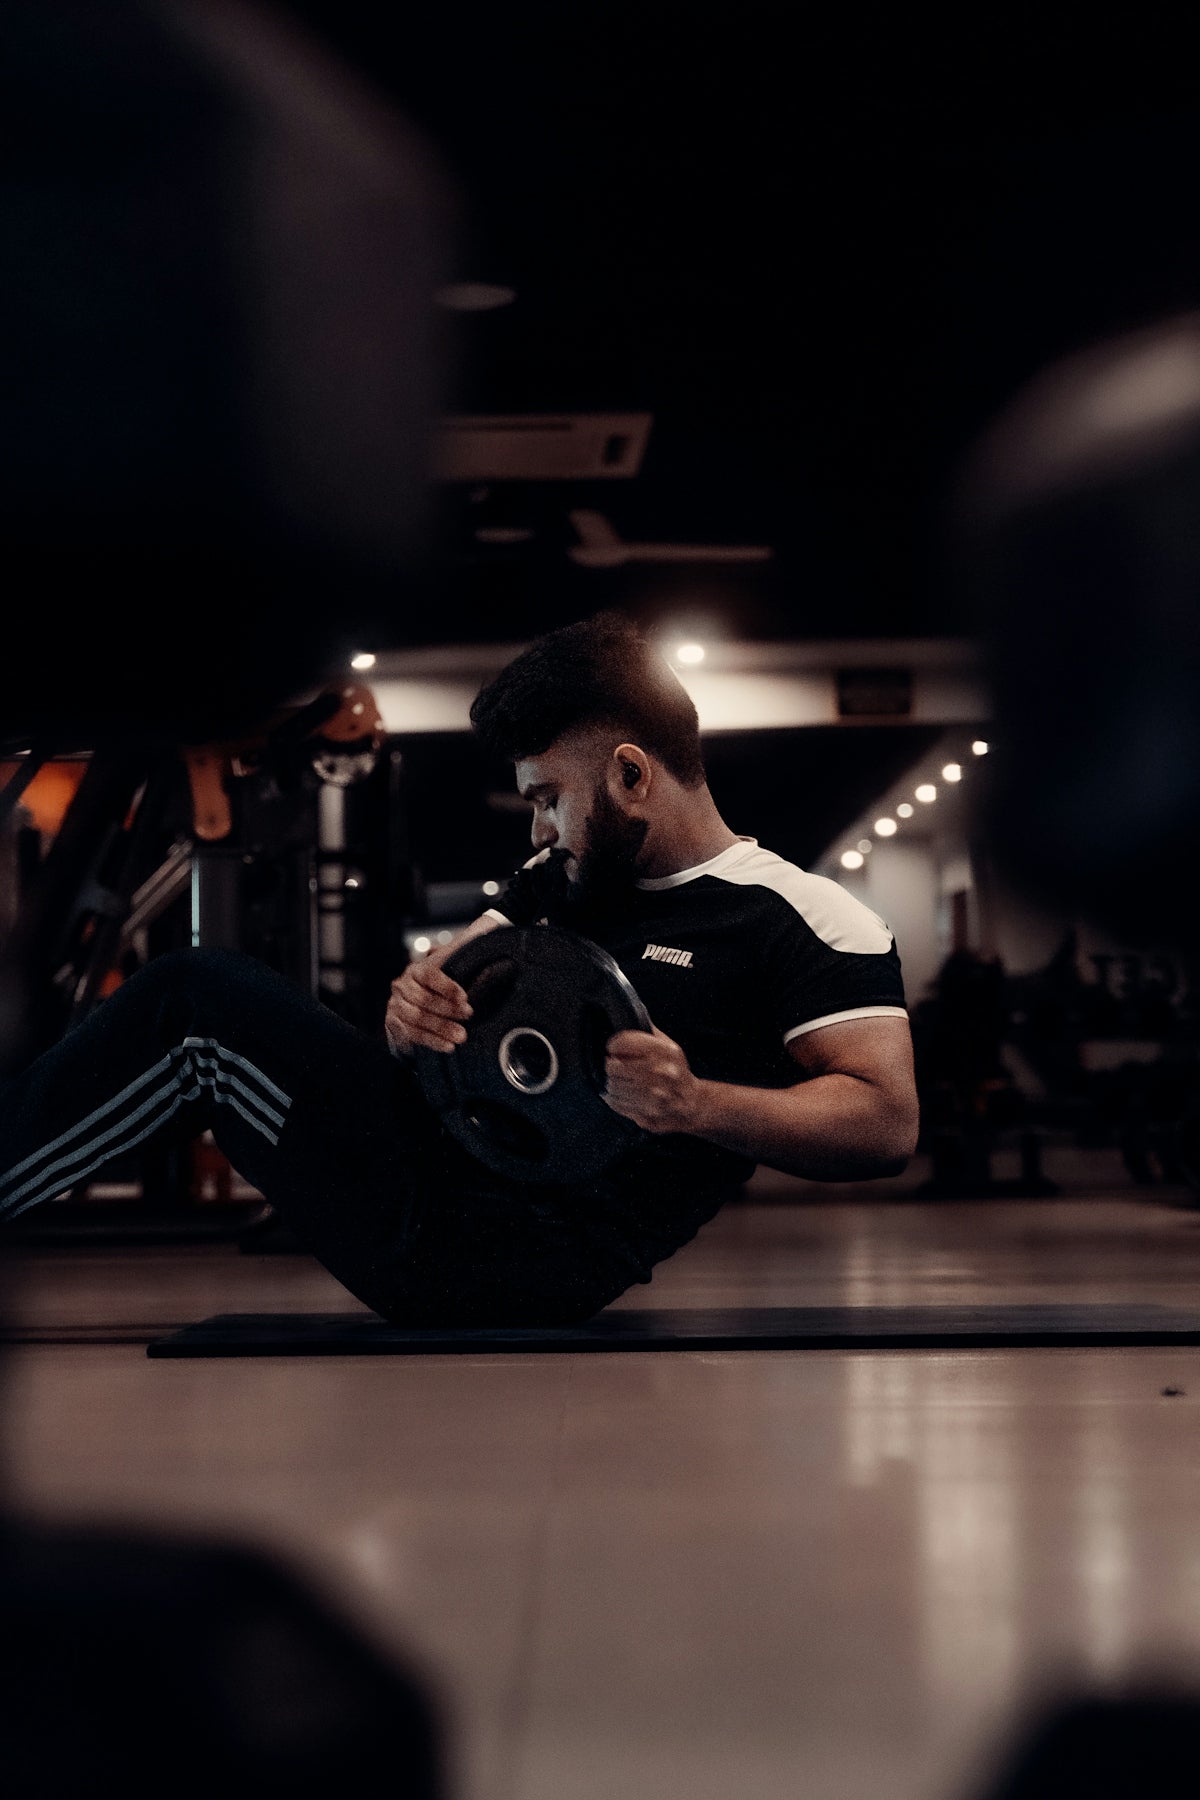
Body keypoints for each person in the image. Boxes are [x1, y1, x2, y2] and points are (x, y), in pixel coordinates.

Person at [0, 612, 919, 1325]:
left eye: (549, 798)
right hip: (433, 1167)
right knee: (197, 990)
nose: (539, 828)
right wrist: (410, 1013)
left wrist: (697, 1103)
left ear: (632, 775)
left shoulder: (804, 916)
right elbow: (439, 990)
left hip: (514, 1255)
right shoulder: (559, 883)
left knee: (198, 1015)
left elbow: (885, 1122)